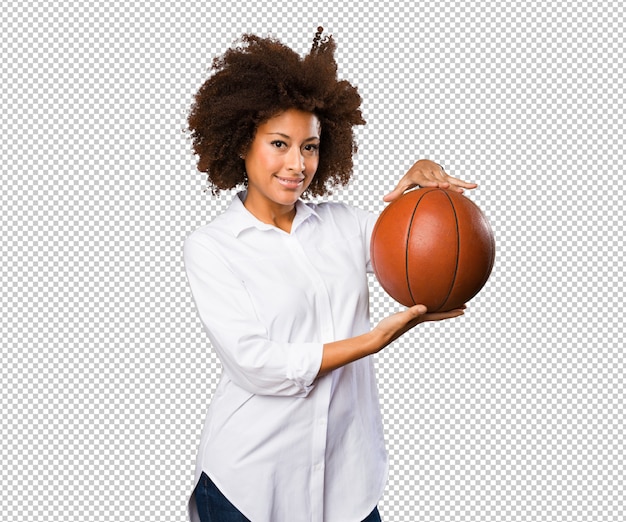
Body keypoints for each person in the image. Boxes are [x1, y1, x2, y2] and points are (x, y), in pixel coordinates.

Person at [184, 27, 477, 522]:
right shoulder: (212, 247)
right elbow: (255, 363)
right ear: (240, 144)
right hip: (252, 487)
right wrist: (372, 341)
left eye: (311, 147)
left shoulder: (344, 226)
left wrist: (424, 190)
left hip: (347, 485)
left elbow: (417, 246)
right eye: (279, 143)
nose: (297, 164)